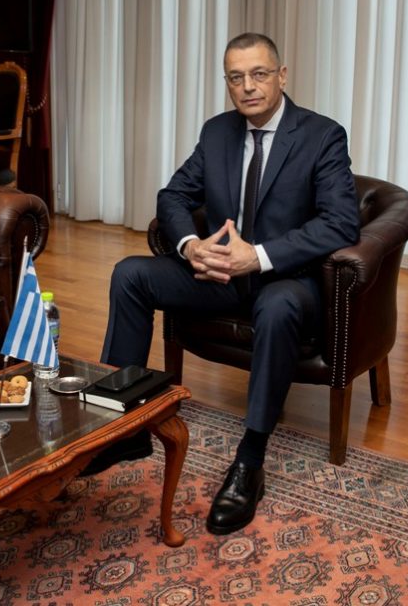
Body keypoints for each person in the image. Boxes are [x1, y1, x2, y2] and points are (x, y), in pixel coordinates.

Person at [101, 33, 360, 535]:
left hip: (287, 280)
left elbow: (340, 224)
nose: (248, 87)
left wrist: (257, 257)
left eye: (259, 74)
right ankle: (125, 427)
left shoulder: (322, 135)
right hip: (219, 275)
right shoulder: (218, 131)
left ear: (282, 76)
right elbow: (173, 195)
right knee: (130, 273)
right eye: (236, 78)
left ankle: (250, 460)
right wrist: (191, 246)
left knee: (278, 307)